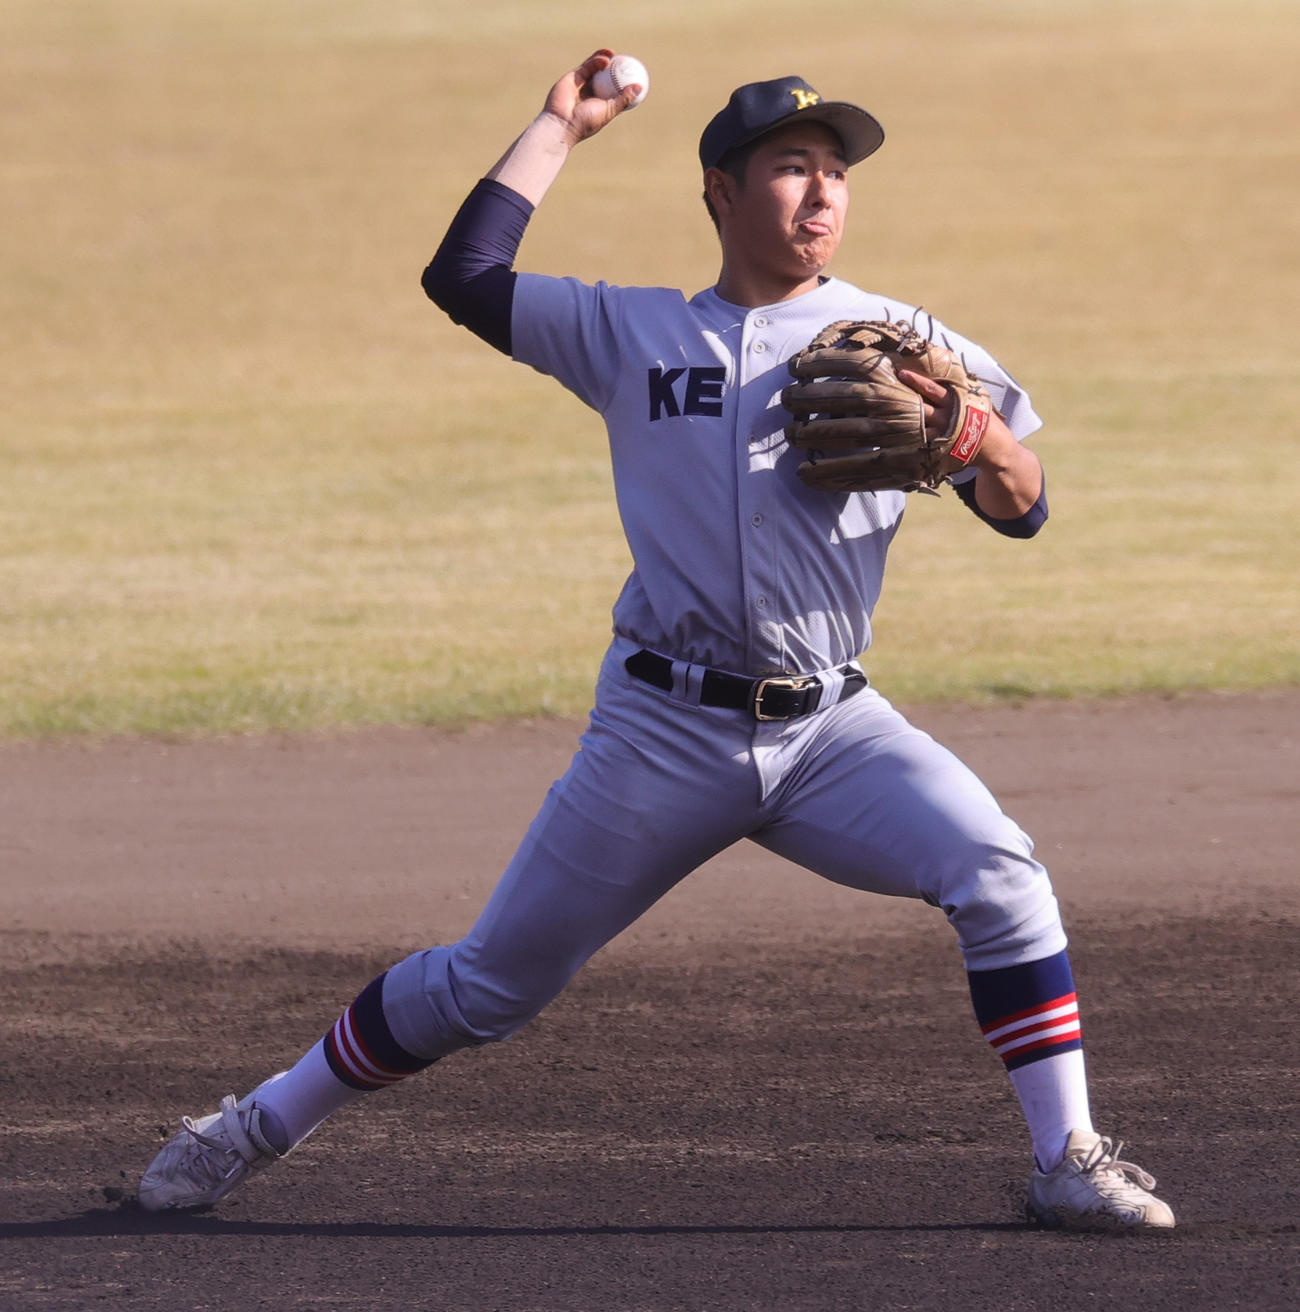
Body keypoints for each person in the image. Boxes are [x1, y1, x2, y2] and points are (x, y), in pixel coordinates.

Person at [137, 51, 1174, 1232]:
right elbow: (464, 276)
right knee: (488, 988)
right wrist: (555, 128)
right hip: (660, 733)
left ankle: (1067, 1157)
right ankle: (258, 1122)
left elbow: (1026, 506)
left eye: (836, 172)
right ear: (722, 195)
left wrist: (980, 437)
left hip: (832, 729)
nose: (822, 194)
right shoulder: (629, 334)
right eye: (792, 168)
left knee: (1000, 872)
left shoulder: (909, 340)